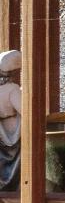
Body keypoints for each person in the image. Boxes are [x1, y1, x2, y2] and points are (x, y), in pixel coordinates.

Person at [0, 47, 20, 192]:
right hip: (13, 128)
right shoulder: (12, 89)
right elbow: (24, 110)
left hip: (1, 128)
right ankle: (10, 185)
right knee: (14, 158)